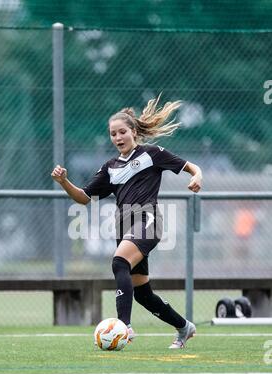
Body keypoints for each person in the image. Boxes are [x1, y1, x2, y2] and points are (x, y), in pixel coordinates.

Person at [51, 96, 202, 348]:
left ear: (134, 132)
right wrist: (64, 182)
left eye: (122, 132)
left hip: (147, 220)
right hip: (124, 227)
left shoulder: (152, 154)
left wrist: (198, 176)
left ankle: (124, 326)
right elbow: (83, 198)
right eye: (113, 134)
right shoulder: (109, 168)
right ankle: (184, 327)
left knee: (119, 261)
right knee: (143, 294)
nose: (118, 137)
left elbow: (191, 167)